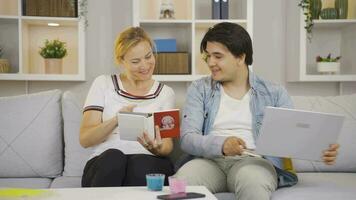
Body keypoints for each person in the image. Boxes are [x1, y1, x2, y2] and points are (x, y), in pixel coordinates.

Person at [174, 22, 339, 200]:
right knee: (182, 182)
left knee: (253, 183)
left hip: (254, 162)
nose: (210, 62)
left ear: (240, 57)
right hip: (208, 161)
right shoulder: (200, 89)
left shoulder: (274, 93)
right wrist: (221, 145)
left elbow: (290, 139)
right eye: (208, 56)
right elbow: (188, 138)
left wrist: (319, 149)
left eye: (218, 56)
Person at [80, 27, 175, 187]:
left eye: (148, 56)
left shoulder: (165, 93)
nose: (145, 65)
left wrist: (157, 148)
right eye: (135, 61)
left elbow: (167, 145)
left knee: (140, 165)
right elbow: (85, 139)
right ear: (121, 61)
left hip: (148, 158)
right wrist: (117, 120)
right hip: (105, 160)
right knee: (114, 158)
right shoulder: (103, 84)